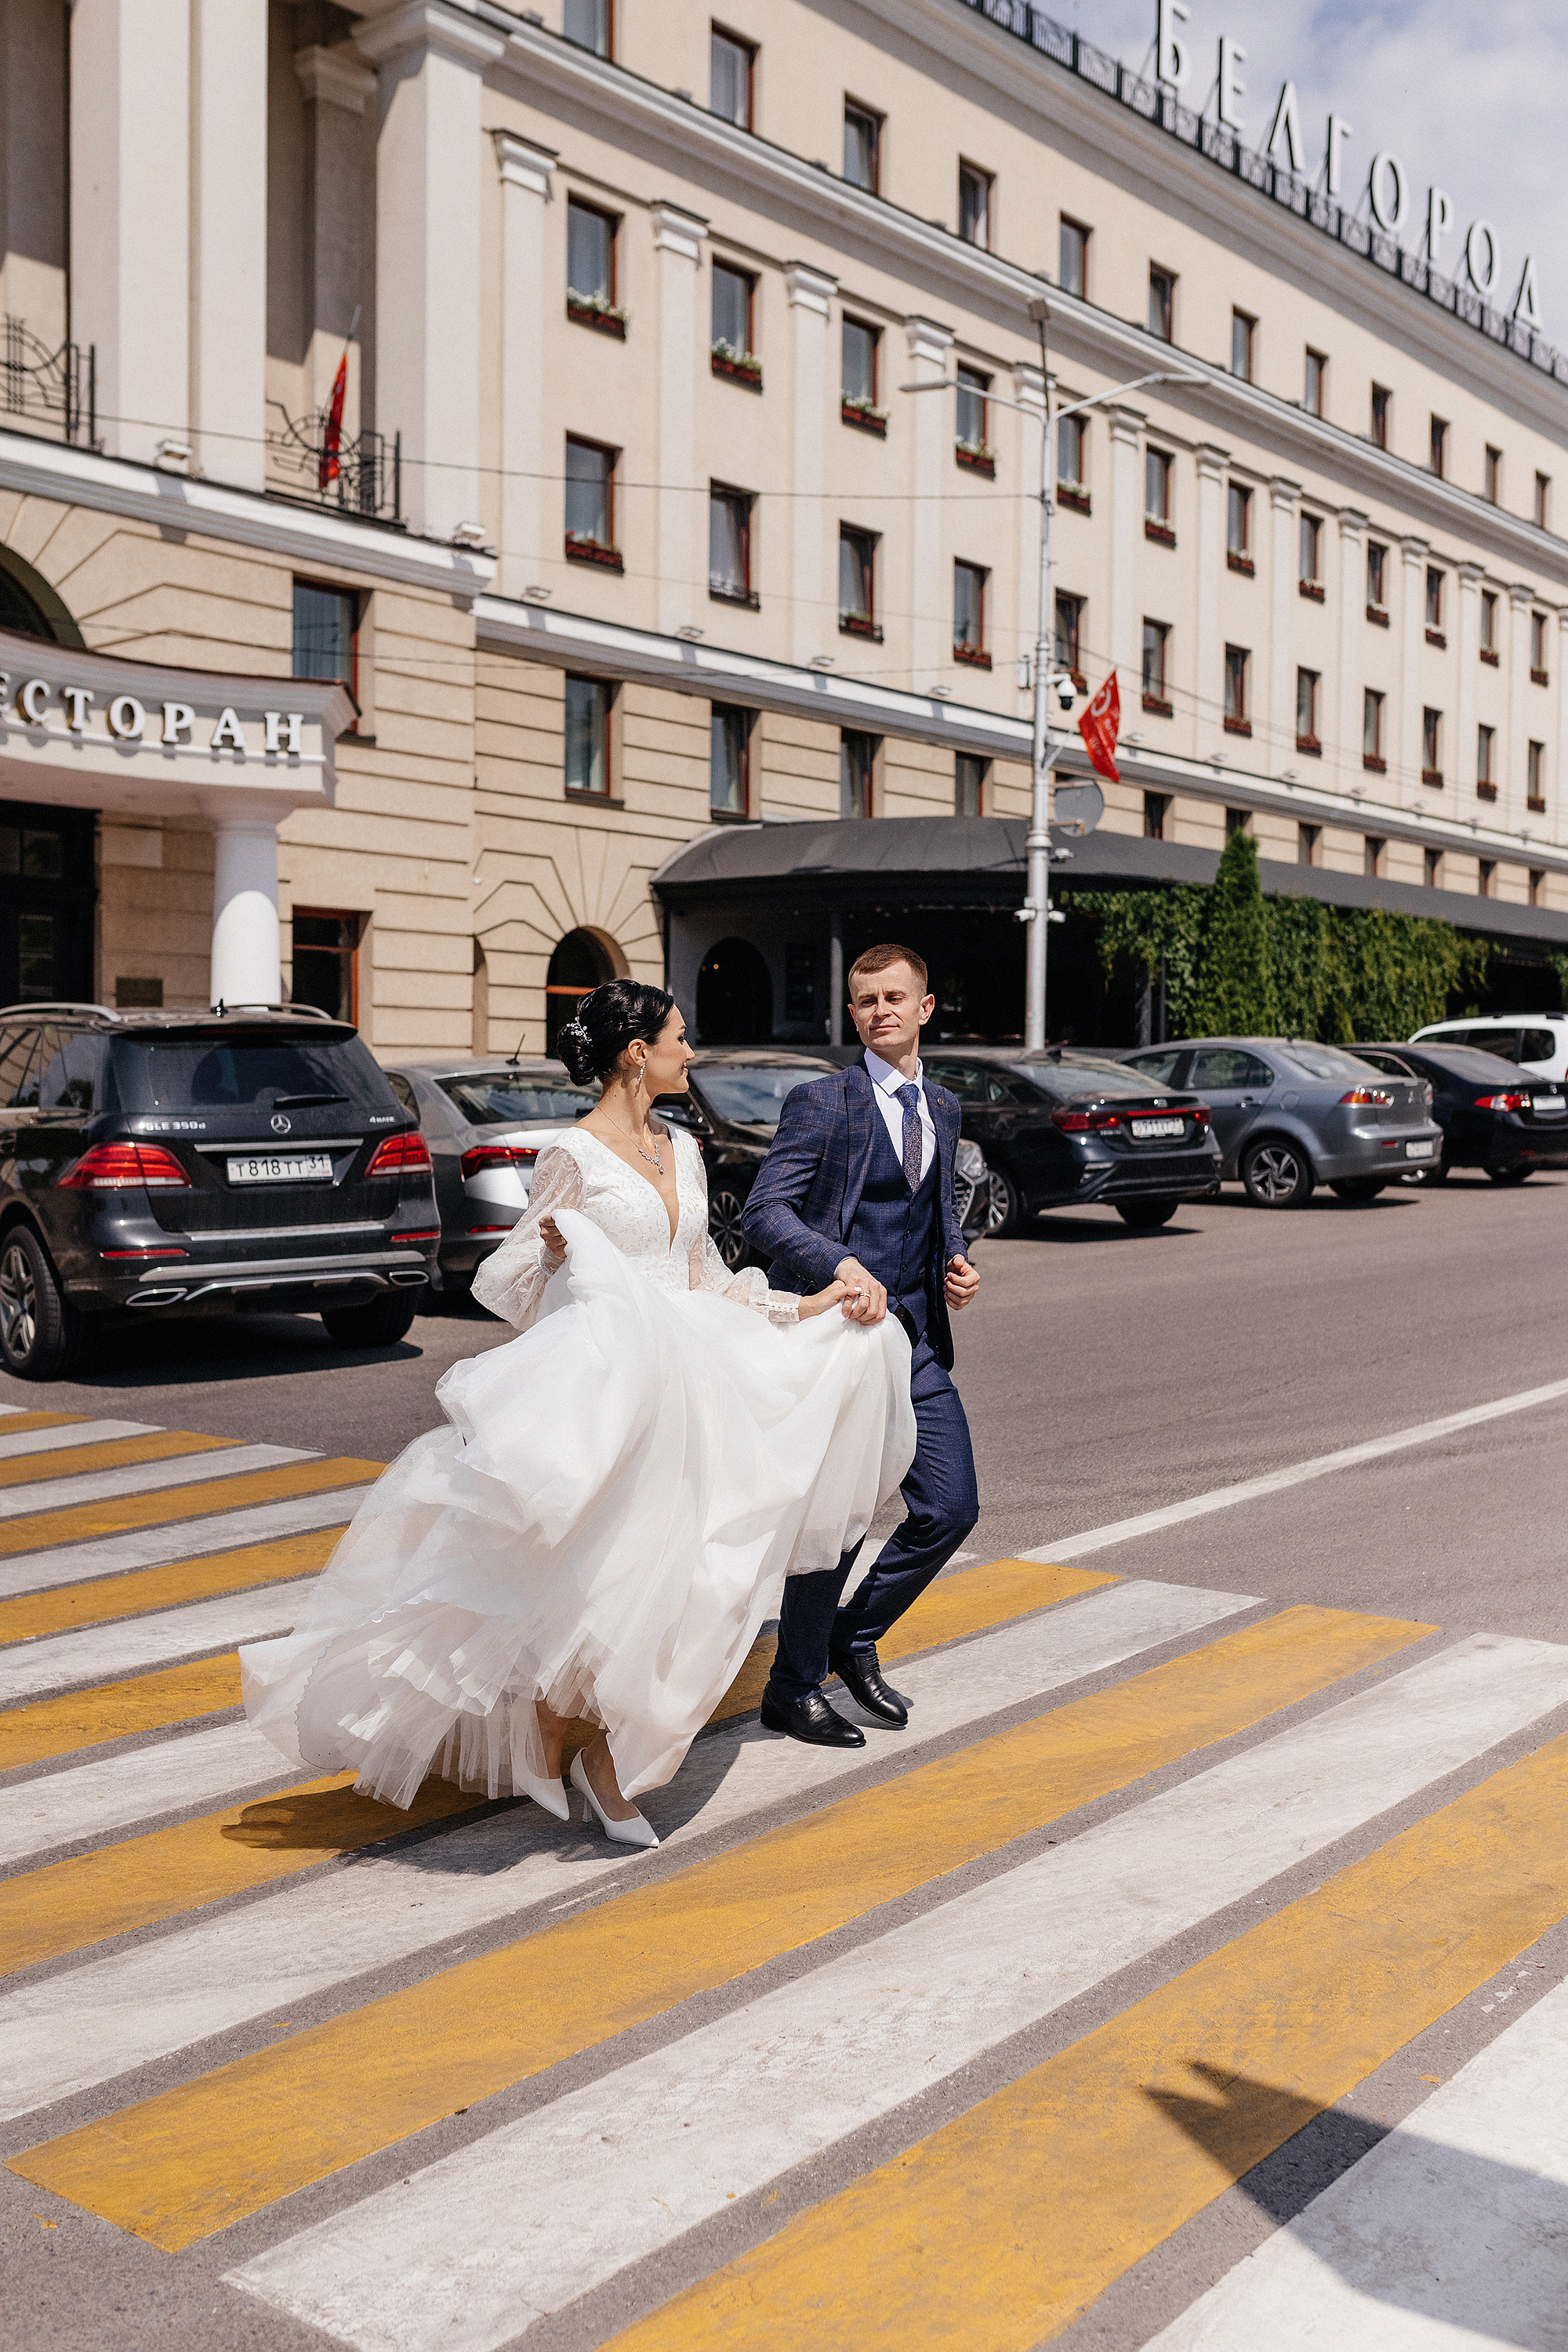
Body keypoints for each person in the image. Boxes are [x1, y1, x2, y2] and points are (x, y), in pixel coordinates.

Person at [239, 981, 914, 1849]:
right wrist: (558, 1261)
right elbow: (507, 1285)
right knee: (606, 1587)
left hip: (702, 1388)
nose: (689, 1052)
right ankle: (579, 1752)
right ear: (636, 1052)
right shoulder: (572, 1155)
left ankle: (586, 1754)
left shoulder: (684, 1146)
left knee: (696, 1592)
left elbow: (704, 1273)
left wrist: (809, 1308)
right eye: (678, 1037)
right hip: (618, 1400)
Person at [741, 942, 981, 1748]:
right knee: (835, 1522)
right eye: (864, 1000)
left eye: (893, 997)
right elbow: (765, 1214)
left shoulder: (940, 1107)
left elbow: (938, 1205)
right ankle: (793, 1684)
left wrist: (957, 1263)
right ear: (852, 1015)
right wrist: (840, 1265)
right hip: (839, 1341)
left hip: (911, 1338)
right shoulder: (823, 1102)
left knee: (950, 1507)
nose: (879, 1010)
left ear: (924, 1008)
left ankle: (850, 1635)